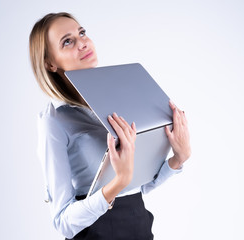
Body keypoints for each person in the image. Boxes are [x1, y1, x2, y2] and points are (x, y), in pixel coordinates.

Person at [29, 12, 191, 240]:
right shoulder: (54, 120)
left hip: (140, 228)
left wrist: (177, 160)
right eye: (68, 41)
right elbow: (63, 222)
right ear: (50, 63)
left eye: (82, 33)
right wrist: (117, 183)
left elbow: (135, 188)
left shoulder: (116, 101)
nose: (82, 43)